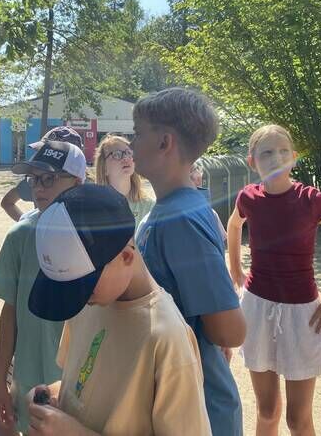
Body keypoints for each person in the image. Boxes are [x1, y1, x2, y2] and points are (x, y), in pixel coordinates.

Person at [25, 184, 212, 435]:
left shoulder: (167, 338)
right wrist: (52, 397)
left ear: (126, 257)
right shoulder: (90, 302)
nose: (79, 299)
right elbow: (81, 385)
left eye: (83, 286)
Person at [227, 124, 321, 436]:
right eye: (267, 153)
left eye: (284, 151)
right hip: (257, 308)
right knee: (267, 411)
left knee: (297, 420)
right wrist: (235, 269)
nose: (277, 157)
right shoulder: (248, 198)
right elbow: (233, 226)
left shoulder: (310, 199)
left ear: (294, 157)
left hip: (303, 314)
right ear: (252, 161)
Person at [131, 87, 246, 436]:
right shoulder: (169, 210)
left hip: (200, 411)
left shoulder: (180, 220)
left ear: (164, 142)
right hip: (175, 400)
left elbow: (230, 330)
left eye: (137, 133)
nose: (131, 144)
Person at [0, 140, 87, 435]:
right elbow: (9, 313)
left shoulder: (97, 237)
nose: (38, 188)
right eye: (33, 179)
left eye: (49, 179)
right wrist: (1, 382)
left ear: (77, 182)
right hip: (30, 375)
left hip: (81, 380)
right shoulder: (20, 236)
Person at [1, 126, 84, 222]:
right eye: (42, 149)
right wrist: (29, 225)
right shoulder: (34, 181)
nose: (38, 188)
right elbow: (7, 202)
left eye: (49, 179)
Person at [94, 134, 154, 228]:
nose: (125, 158)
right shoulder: (93, 208)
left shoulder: (149, 206)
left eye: (129, 153)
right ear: (104, 167)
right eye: (116, 154)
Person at [190, 160, 226, 243]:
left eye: (200, 180)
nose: (199, 184)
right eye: (194, 180)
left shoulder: (211, 213)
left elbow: (221, 241)